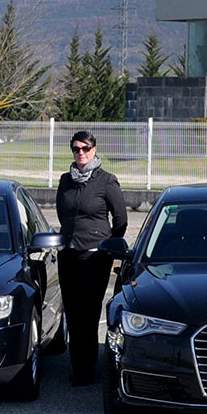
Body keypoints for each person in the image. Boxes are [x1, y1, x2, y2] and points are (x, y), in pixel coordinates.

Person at [54, 130, 126, 386]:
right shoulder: (66, 181)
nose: (81, 153)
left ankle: (88, 368)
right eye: (76, 149)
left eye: (85, 148)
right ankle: (77, 367)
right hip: (69, 254)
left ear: (95, 149)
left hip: (95, 257)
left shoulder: (106, 181)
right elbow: (64, 215)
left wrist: (108, 246)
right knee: (72, 312)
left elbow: (121, 219)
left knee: (89, 312)